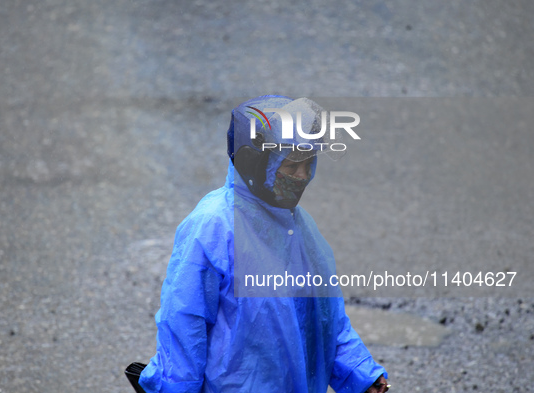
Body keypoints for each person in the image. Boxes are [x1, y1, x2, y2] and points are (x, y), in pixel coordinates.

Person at [138, 96, 389, 393]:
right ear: (255, 163)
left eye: (309, 163)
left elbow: (325, 316)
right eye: (293, 165)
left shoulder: (298, 227)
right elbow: (184, 324)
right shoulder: (214, 226)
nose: (303, 176)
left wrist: (360, 373)